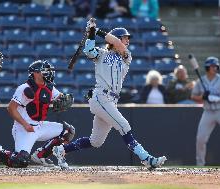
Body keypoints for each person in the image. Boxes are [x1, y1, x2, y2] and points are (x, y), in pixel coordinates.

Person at [52, 18, 166, 169]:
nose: (127, 41)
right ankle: (146, 158)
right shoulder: (102, 54)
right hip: (100, 97)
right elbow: (88, 50)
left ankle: (61, 150)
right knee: (124, 126)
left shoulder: (126, 57)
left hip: (111, 100)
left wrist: (95, 30)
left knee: (96, 141)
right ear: (117, 38)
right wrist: (91, 34)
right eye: (125, 38)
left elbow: (118, 45)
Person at [0, 60, 75, 168]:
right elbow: (11, 108)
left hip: (40, 125)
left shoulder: (49, 87)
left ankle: (40, 156)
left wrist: (67, 98)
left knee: (68, 131)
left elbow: (60, 97)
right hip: (24, 128)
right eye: (45, 71)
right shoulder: (25, 88)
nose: (48, 73)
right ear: (35, 73)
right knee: (20, 161)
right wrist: (25, 124)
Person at [191, 57, 220, 166]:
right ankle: (200, 164)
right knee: (200, 138)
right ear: (207, 67)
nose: (215, 68)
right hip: (208, 111)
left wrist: (217, 98)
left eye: (216, 66)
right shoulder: (201, 81)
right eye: (212, 66)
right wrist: (203, 97)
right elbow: (193, 96)